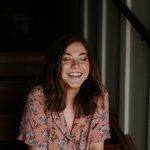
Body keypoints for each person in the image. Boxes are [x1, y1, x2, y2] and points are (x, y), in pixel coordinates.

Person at [18, 34, 110, 150]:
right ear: (55, 64)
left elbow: (96, 147)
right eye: (66, 59)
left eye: (82, 58)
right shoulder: (39, 97)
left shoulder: (98, 95)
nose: (76, 65)